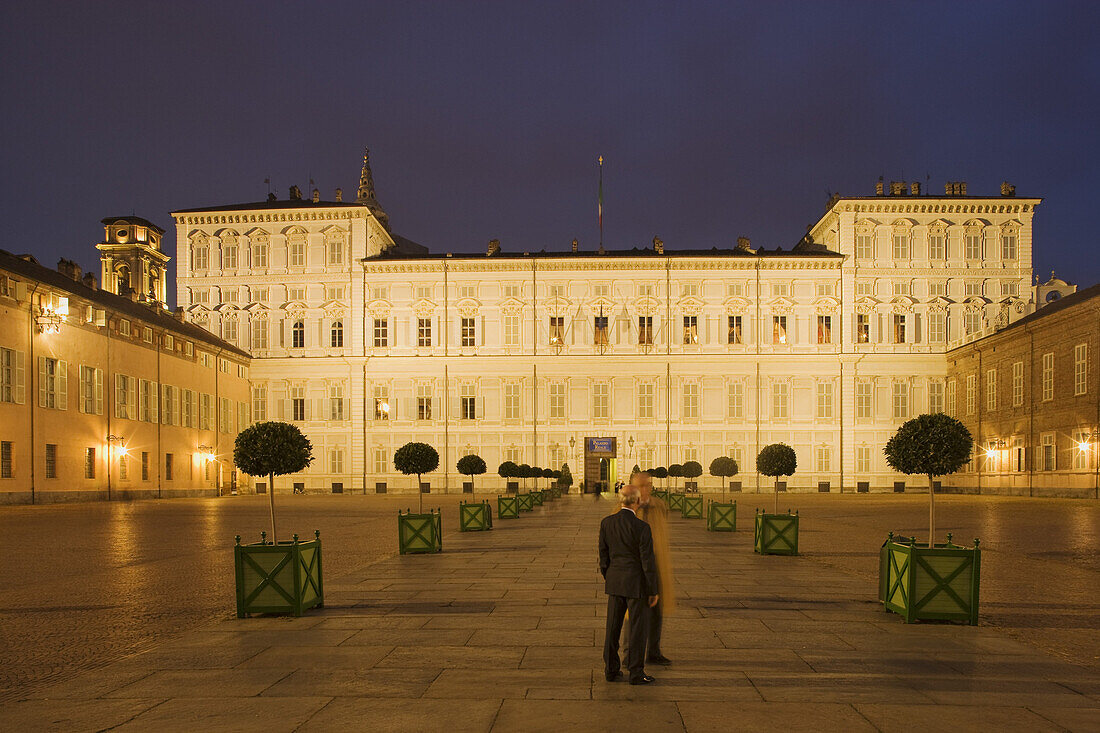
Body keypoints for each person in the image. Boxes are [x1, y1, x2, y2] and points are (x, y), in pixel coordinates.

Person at [598, 485, 660, 685]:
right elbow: (647, 562)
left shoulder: (607, 523)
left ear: (621, 500)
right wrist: (652, 590)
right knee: (637, 629)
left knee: (612, 628)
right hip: (636, 585)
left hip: (616, 582)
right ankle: (635, 672)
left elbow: (603, 556)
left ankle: (611, 670)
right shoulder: (642, 527)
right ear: (637, 501)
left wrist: (610, 576)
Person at [627, 470, 674, 666]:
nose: (644, 489)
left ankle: (654, 651)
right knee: (633, 613)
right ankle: (629, 653)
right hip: (636, 568)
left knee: (657, 611)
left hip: (657, 565)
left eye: (647, 485)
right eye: (639, 486)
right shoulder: (625, 508)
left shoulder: (660, 506)